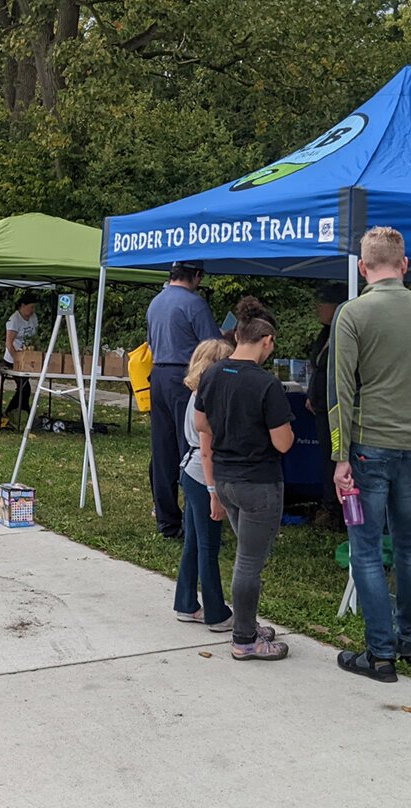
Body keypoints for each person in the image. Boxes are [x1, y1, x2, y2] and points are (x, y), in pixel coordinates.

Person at [328, 226, 411, 683]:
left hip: (367, 446)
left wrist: (340, 454)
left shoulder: (353, 314)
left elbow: (340, 389)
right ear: (405, 266)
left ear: (363, 268)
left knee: (366, 547)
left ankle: (380, 654)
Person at [194, 316, 295, 661]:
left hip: (224, 478)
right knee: (249, 562)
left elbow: (200, 423)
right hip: (259, 482)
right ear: (266, 341)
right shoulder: (266, 384)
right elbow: (282, 443)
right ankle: (244, 638)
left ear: (238, 336)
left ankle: (248, 626)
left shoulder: (213, 373)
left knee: (244, 557)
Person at [146, 262, 223, 539]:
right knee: (190, 446)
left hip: (158, 375)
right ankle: (194, 520)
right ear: (197, 276)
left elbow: (151, 342)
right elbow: (214, 347)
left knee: (163, 449)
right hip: (186, 378)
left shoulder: (156, 302)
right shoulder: (194, 304)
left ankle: (167, 521)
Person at [174, 338, 236, 633]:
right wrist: (215, 492)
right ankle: (216, 611)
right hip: (203, 473)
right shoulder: (208, 399)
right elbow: (208, 448)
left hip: (191, 469)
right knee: (208, 545)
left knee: (194, 543)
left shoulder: (195, 393)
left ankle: (186, 601)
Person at [306, 283, 348, 527]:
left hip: (335, 407)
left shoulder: (344, 333)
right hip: (321, 404)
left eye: (323, 303)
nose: (319, 308)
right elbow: (319, 368)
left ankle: (335, 509)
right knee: (326, 457)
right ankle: (329, 505)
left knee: (335, 457)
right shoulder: (326, 333)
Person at [4, 293, 41, 419]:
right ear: (22, 306)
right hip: (12, 358)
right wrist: (17, 360)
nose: (32, 311)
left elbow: (35, 337)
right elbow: (9, 343)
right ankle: (12, 411)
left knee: (24, 388)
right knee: (24, 387)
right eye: (30, 307)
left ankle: (22, 412)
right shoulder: (14, 320)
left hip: (27, 357)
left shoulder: (33, 317)